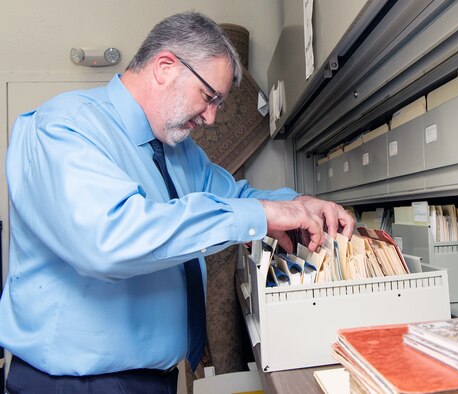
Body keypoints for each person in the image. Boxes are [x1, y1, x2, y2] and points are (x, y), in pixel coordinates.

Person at [0, 11, 354, 394]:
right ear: (165, 67)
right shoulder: (63, 128)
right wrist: (259, 215)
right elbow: (109, 239)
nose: (211, 118)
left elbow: (235, 197)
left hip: (154, 379)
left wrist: (299, 204)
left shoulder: (180, 153)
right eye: (208, 97)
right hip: (73, 385)